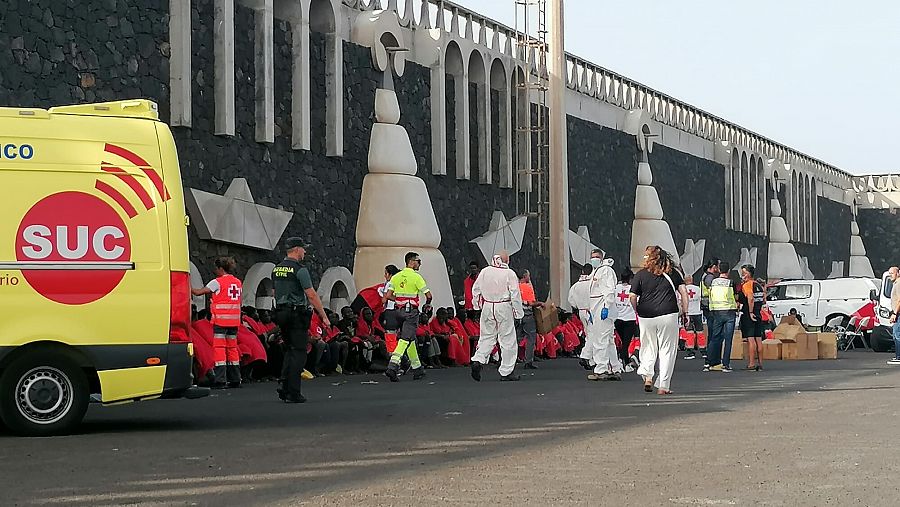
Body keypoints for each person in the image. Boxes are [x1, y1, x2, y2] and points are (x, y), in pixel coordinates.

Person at [272, 237, 330, 404]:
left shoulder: (277, 269)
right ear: (297, 249)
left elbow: (276, 292)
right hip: (296, 314)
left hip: (281, 312)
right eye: (303, 249)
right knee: (298, 352)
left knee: (289, 349)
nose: (304, 252)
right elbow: (311, 294)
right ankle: (293, 391)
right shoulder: (299, 269)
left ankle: (284, 385)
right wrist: (323, 316)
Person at [629, 246, 688, 395]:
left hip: (646, 315)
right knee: (667, 350)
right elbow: (683, 293)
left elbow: (632, 296)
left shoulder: (640, 275)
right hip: (668, 313)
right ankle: (663, 385)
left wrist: (637, 309)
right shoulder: (673, 273)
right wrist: (685, 312)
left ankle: (648, 376)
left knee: (648, 346)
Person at [470, 252, 525, 382]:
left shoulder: (484, 271)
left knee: (486, 337)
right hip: (503, 307)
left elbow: (476, 290)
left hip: (488, 306)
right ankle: (506, 371)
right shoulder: (509, 273)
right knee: (507, 340)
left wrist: (477, 307)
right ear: (507, 260)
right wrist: (518, 314)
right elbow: (515, 294)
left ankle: (478, 359)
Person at [191, 256, 243, 389]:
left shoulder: (217, 282)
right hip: (234, 322)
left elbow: (198, 293)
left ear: (221, 268)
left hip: (221, 322)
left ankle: (220, 380)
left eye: (216, 268)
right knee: (232, 349)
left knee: (219, 350)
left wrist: (186, 285)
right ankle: (236, 378)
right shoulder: (237, 282)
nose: (214, 271)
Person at [569, 249, 622, 381]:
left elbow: (609, 291)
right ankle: (614, 368)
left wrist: (606, 306)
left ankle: (601, 369)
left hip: (602, 309)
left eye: (597, 257)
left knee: (600, 340)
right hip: (596, 308)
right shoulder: (597, 271)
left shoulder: (605, 270)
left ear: (602, 257)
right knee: (608, 340)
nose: (594, 259)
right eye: (592, 257)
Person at [384, 252, 433, 382]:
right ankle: (393, 366)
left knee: (410, 338)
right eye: (418, 261)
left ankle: (417, 368)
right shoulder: (416, 277)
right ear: (411, 262)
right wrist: (427, 306)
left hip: (398, 312)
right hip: (411, 312)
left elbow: (388, 296)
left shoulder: (396, 277)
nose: (419, 264)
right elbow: (429, 296)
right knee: (405, 339)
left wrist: (400, 300)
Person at [704, 260, 739, 373]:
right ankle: (725, 364)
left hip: (716, 312)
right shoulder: (731, 282)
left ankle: (710, 363)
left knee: (715, 338)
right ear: (728, 271)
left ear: (719, 270)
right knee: (728, 340)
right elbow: (736, 297)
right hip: (729, 312)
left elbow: (711, 295)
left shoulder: (713, 282)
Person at [737, 265, 765, 371]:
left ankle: (751, 364)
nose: (742, 275)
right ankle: (760, 363)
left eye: (744, 273)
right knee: (759, 339)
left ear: (748, 274)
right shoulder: (758, 285)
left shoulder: (747, 285)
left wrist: (750, 311)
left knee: (751, 339)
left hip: (750, 315)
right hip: (758, 314)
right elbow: (763, 300)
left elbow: (750, 298)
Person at [516, 269, 543, 369]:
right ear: (524, 276)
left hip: (517, 315)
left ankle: (509, 360)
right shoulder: (527, 287)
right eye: (528, 275)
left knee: (516, 339)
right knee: (531, 338)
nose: (529, 277)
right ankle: (528, 361)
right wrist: (541, 303)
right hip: (527, 315)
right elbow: (531, 303)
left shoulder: (515, 286)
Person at [613, 268, 638, 370]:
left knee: (622, 342)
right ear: (630, 278)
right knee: (626, 343)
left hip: (617, 318)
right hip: (630, 319)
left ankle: (623, 359)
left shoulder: (616, 288)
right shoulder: (633, 288)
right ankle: (625, 361)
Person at [699, 258, 720, 361]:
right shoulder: (709, 277)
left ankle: (710, 354)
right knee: (713, 333)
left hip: (706, 306)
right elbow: (713, 290)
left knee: (712, 331)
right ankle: (711, 356)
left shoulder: (706, 276)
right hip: (710, 306)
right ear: (714, 267)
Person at [681, 275, 703, 360]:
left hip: (688, 313)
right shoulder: (698, 289)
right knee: (700, 332)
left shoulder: (683, 289)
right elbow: (701, 299)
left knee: (689, 332)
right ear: (692, 280)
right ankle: (703, 351)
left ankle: (690, 352)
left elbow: (681, 302)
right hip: (697, 312)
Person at [887, 267, 900, 365]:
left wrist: (895, 313)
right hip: (896, 313)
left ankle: (899, 357)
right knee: (896, 335)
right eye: (889, 273)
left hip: (898, 313)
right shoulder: (895, 284)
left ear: (898, 273)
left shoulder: (898, 284)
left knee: (897, 335)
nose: (890, 275)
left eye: (892, 273)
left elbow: (899, 300)